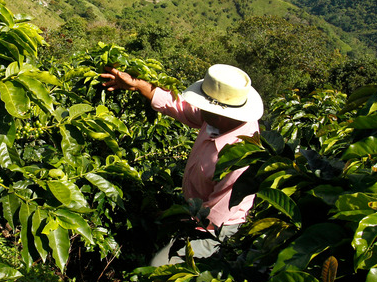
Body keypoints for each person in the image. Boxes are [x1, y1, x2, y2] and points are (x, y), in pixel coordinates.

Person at [100, 64, 263, 266]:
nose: (199, 108)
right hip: (195, 209)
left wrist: (177, 218)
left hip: (217, 228)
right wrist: (136, 85)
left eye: (204, 106)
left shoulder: (240, 160)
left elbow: (214, 216)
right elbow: (180, 107)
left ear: (220, 113)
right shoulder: (219, 120)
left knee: (158, 267)